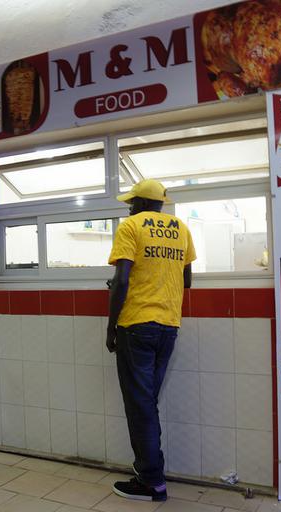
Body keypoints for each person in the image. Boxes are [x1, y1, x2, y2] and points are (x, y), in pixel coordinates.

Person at [106, 179, 196, 501]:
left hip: (136, 326)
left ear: (143, 204)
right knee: (147, 403)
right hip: (168, 326)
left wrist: (110, 327)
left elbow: (122, 281)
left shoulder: (131, 226)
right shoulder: (181, 228)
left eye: (132, 202)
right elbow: (186, 280)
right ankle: (149, 472)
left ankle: (151, 481)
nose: (129, 207)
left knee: (140, 405)